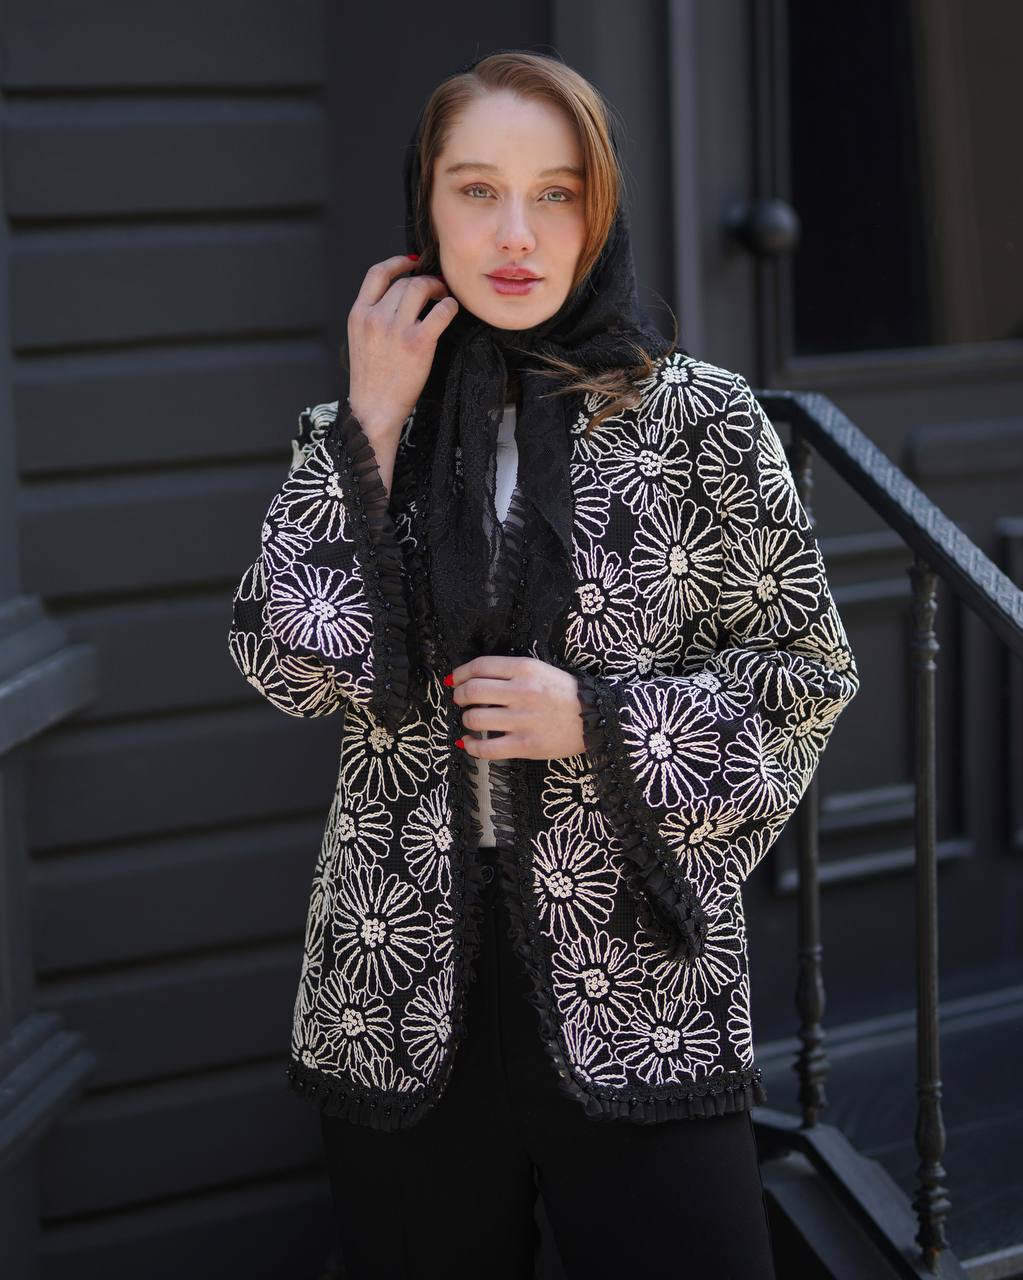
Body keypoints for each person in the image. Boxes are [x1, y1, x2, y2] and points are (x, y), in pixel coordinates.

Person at [228, 47, 860, 1280]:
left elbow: (803, 678)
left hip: (639, 981)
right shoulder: (359, 429)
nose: (516, 233)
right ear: (428, 206)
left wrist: (601, 718)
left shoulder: (700, 421)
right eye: (477, 189)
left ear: (599, 207)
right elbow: (285, 658)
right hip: (394, 981)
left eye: (555, 192)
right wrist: (371, 421)